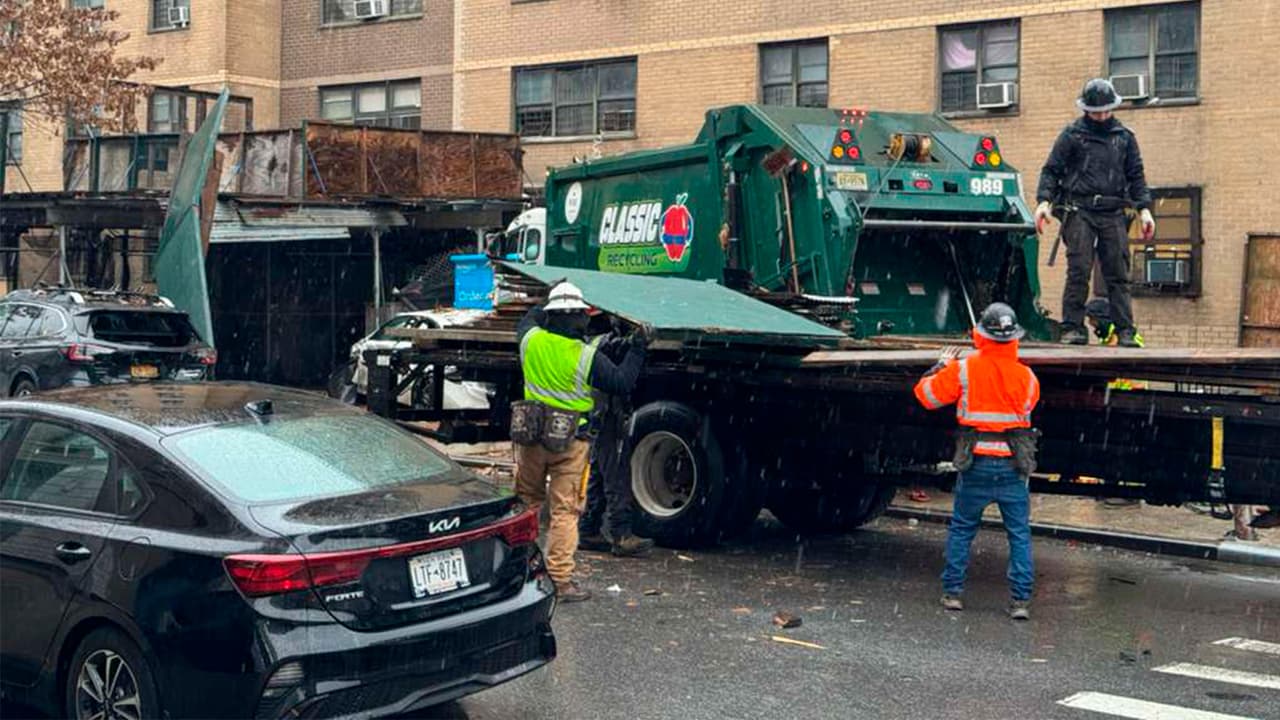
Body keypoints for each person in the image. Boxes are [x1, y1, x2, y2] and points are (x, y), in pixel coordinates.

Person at [514, 281, 648, 602]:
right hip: (571, 442)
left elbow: (528, 320)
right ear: (580, 318)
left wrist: (552, 291)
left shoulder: (531, 341)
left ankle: (519, 572)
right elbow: (621, 381)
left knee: (527, 505)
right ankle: (560, 581)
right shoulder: (585, 356)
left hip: (531, 437)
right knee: (564, 512)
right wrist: (639, 346)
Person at [914, 303, 1041, 620]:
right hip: (1014, 466)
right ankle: (1020, 602)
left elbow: (926, 397)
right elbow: (1027, 407)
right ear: (1014, 339)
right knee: (1019, 534)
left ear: (979, 335)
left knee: (962, 529)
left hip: (975, 465)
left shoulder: (964, 369)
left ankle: (953, 593)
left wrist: (939, 367)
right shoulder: (1027, 377)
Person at [1035, 78, 1153, 348]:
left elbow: (1136, 176)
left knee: (1118, 271)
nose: (1100, 116)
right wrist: (1044, 202)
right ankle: (1072, 328)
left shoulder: (1124, 138)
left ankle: (1125, 329)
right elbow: (1051, 170)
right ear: (1085, 109)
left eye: (1105, 111)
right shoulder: (1072, 135)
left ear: (1113, 108)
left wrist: (1144, 209)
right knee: (1079, 269)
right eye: (1095, 111)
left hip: (1112, 211)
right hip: (1080, 209)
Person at [578, 323, 656, 557]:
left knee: (601, 473)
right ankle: (621, 534)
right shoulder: (602, 346)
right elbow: (623, 380)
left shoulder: (593, 342)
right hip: (606, 414)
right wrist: (638, 345)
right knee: (616, 474)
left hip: (597, 415)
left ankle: (589, 529)